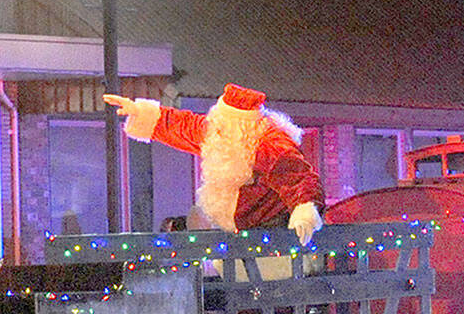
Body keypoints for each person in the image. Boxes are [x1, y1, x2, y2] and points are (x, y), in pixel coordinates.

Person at [105, 83, 326, 245]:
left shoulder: (270, 145)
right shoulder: (219, 134)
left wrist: (304, 209)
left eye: (221, 127)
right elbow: (183, 126)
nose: (215, 130)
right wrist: (140, 111)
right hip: (235, 235)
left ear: (239, 129)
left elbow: (300, 178)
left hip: (271, 231)